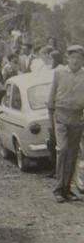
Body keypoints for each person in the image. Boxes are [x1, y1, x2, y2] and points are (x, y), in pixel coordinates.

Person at [47, 44, 84, 203]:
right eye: (73, 57)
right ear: (68, 58)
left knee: (72, 154)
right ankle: (58, 188)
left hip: (77, 117)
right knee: (62, 149)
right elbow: (51, 95)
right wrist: (50, 119)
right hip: (60, 115)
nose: (76, 61)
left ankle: (67, 189)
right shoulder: (59, 72)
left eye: (79, 58)